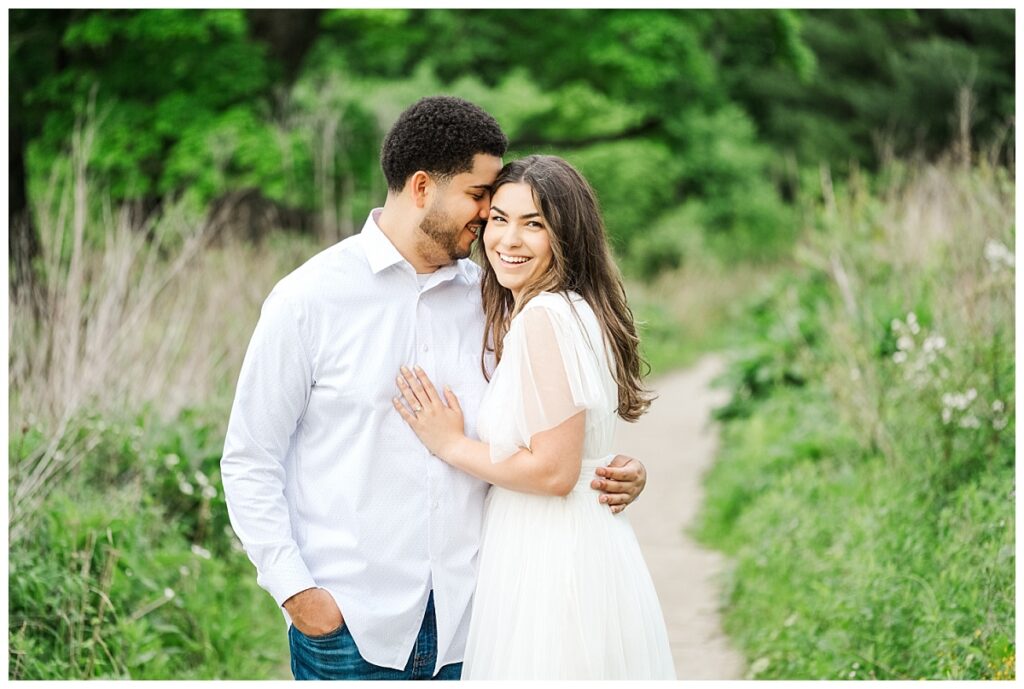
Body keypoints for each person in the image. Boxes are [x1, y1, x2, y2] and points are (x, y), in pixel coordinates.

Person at [220, 96, 649, 681]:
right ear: (422, 187)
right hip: (352, 628)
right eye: (480, 198)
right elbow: (250, 458)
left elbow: (545, 432)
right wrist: (297, 594)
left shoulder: (494, 298)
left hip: (477, 623)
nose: (488, 216)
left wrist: (608, 468)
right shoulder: (308, 301)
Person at [393, 154, 676, 679]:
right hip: (573, 540)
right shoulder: (570, 309)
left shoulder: (544, 318)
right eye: (498, 220)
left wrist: (449, 443)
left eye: (534, 224)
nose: (508, 241)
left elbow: (554, 470)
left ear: (567, 237)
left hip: (552, 553)